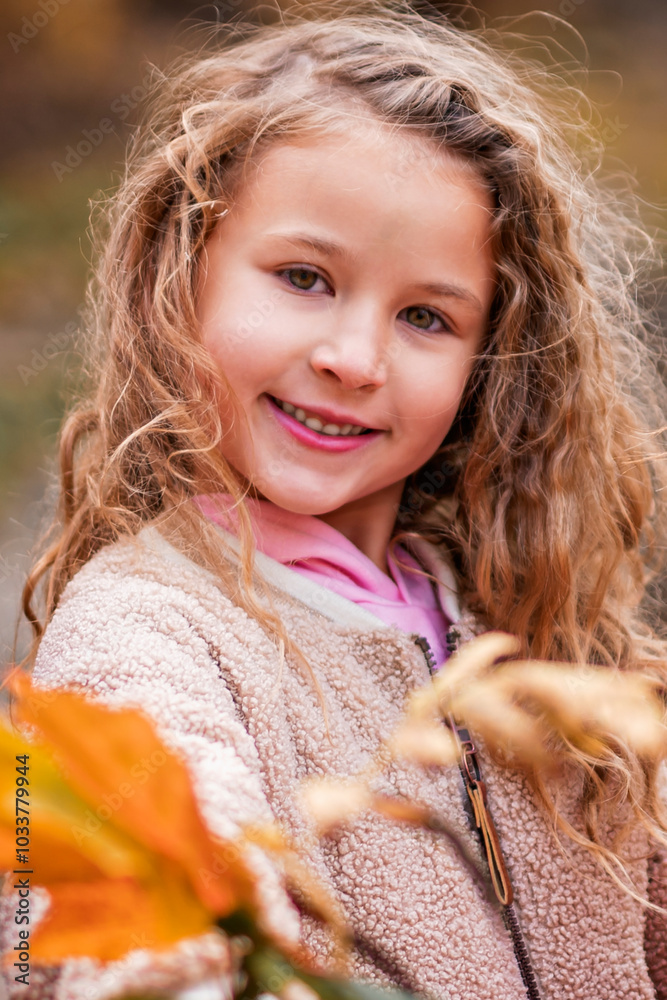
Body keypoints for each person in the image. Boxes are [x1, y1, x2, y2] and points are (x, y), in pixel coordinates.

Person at [6, 6, 667, 998]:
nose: (352, 359)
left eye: (424, 317)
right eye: (304, 277)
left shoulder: (523, 631)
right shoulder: (146, 637)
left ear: (489, 362)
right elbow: (164, 909)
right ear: (179, 279)